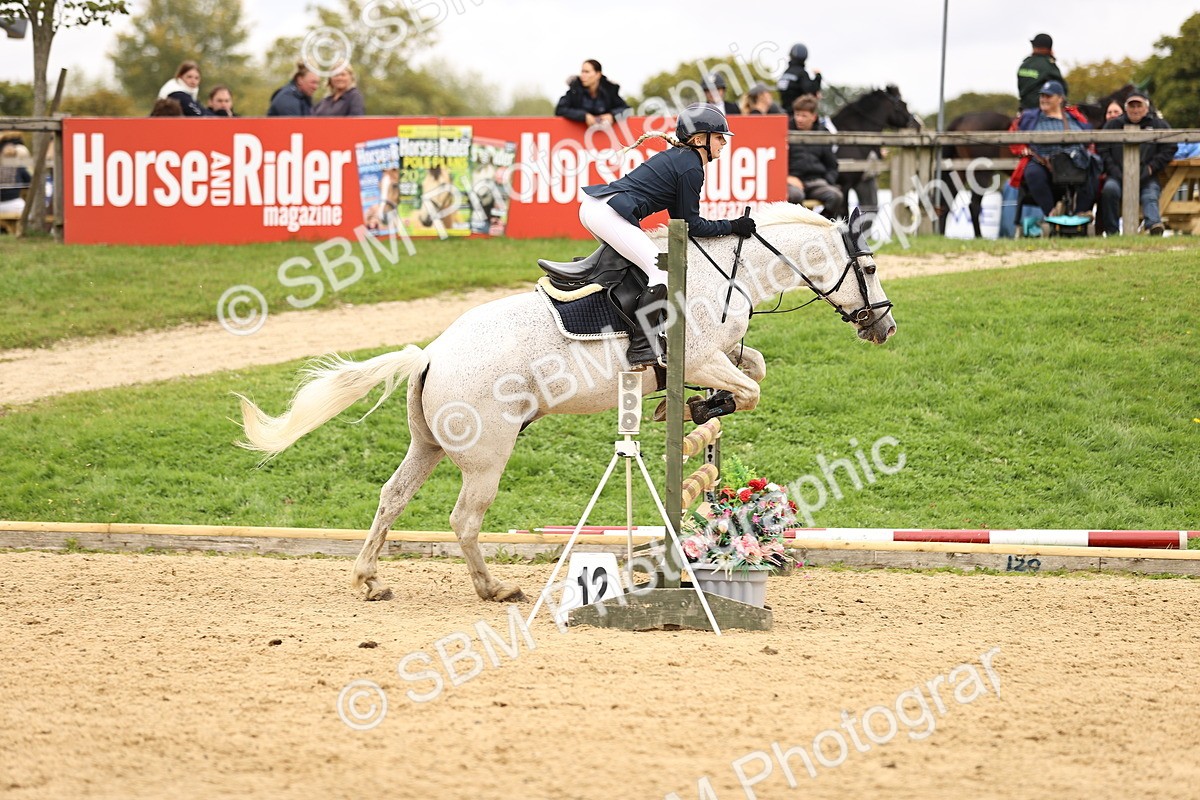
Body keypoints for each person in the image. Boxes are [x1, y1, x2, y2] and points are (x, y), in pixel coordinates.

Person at [578, 103, 755, 368]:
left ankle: (625, 329)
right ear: (699, 140)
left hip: (597, 207)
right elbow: (691, 226)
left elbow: (680, 222)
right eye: (719, 137)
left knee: (639, 269)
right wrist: (733, 226)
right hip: (607, 213)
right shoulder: (691, 167)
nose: (724, 143)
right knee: (663, 270)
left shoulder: (682, 159)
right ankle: (641, 347)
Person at [1007, 80, 1097, 219]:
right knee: (1032, 172)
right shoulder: (1030, 117)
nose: (1044, 99)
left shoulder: (1073, 116)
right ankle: (1052, 214)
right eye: (1042, 96)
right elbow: (1012, 135)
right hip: (1043, 161)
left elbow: (1089, 137)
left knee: (1094, 163)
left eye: (1048, 96)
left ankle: (1081, 213)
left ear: (1060, 98)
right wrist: (1022, 148)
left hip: (1073, 161)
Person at [1098, 91, 1175, 236]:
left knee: (1150, 194)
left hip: (1147, 175)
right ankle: (1112, 232)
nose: (1135, 110)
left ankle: (1153, 225)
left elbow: (1170, 147)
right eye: (1132, 106)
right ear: (1126, 108)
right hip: (1117, 175)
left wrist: (1152, 167)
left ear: (1146, 108)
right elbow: (1102, 148)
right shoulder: (1113, 125)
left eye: (1139, 106)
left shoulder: (1158, 124)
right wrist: (1114, 170)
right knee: (1109, 190)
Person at [785, 95, 843, 219]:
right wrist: (786, 178)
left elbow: (832, 165)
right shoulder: (784, 131)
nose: (799, 119)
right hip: (791, 182)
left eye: (804, 116)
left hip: (816, 182)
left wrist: (827, 181)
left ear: (814, 117)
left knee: (836, 196)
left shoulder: (823, 133)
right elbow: (775, 161)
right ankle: (797, 226)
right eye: (797, 114)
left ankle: (821, 224)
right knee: (795, 196)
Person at [556, 59, 630, 127]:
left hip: (607, 134)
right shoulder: (575, 90)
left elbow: (627, 110)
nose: (583, 75)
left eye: (587, 72)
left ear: (598, 74)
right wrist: (584, 116)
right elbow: (560, 109)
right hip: (577, 134)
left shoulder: (609, 90)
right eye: (582, 72)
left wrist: (612, 115)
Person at [1017, 34, 1067, 111]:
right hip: (1042, 110)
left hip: (1024, 110)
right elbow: (1062, 89)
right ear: (1048, 48)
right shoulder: (1048, 65)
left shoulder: (1025, 64)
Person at [777, 43, 821, 111]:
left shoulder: (786, 72)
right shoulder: (802, 73)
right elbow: (811, 91)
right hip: (797, 112)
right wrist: (818, 77)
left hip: (784, 111)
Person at [0, 132, 32, 215]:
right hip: (14, 202)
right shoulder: (18, 166)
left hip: (10, 202)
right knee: (29, 214)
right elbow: (30, 181)